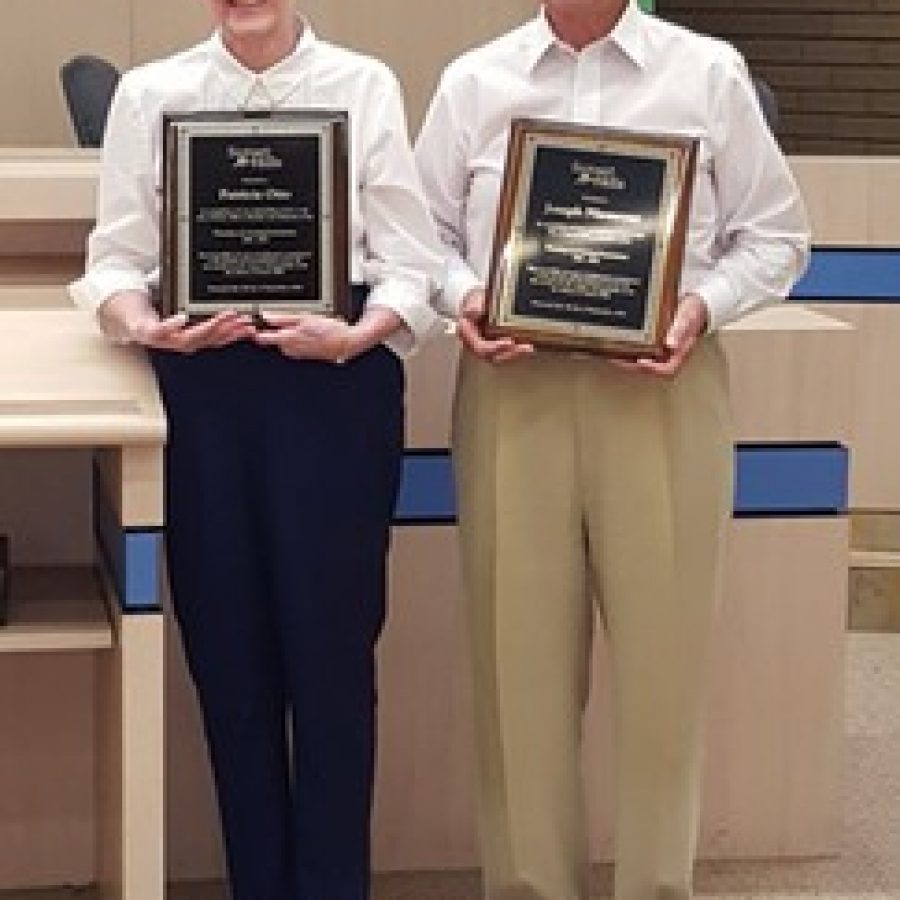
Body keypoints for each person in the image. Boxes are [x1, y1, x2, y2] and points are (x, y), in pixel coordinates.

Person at [415, 1, 810, 898]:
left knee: (665, 681)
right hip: (514, 395)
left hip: (663, 396)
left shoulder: (708, 73)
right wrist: (466, 295)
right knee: (517, 680)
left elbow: (779, 237)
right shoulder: (475, 79)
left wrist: (700, 305)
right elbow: (419, 234)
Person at [70, 1, 442, 897]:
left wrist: (360, 333)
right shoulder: (153, 94)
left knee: (332, 664)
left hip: (334, 386)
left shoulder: (364, 85)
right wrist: (150, 327)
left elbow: (410, 263)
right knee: (229, 664)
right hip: (206, 389)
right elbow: (115, 259)